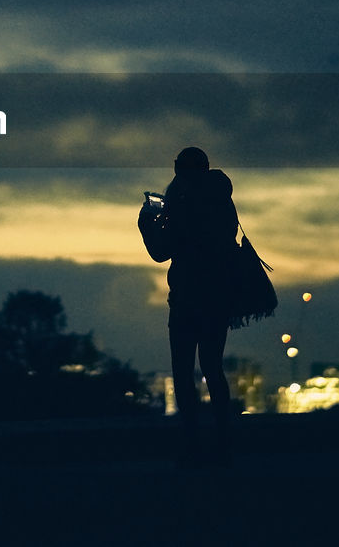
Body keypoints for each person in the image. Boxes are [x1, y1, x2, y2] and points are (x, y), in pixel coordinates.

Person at [138, 146, 238, 466]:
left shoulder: (181, 202)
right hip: (219, 295)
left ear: (178, 169)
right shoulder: (223, 201)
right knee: (213, 368)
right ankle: (223, 441)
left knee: (183, 372)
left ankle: (192, 442)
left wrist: (147, 224)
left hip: (186, 297)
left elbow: (160, 252)